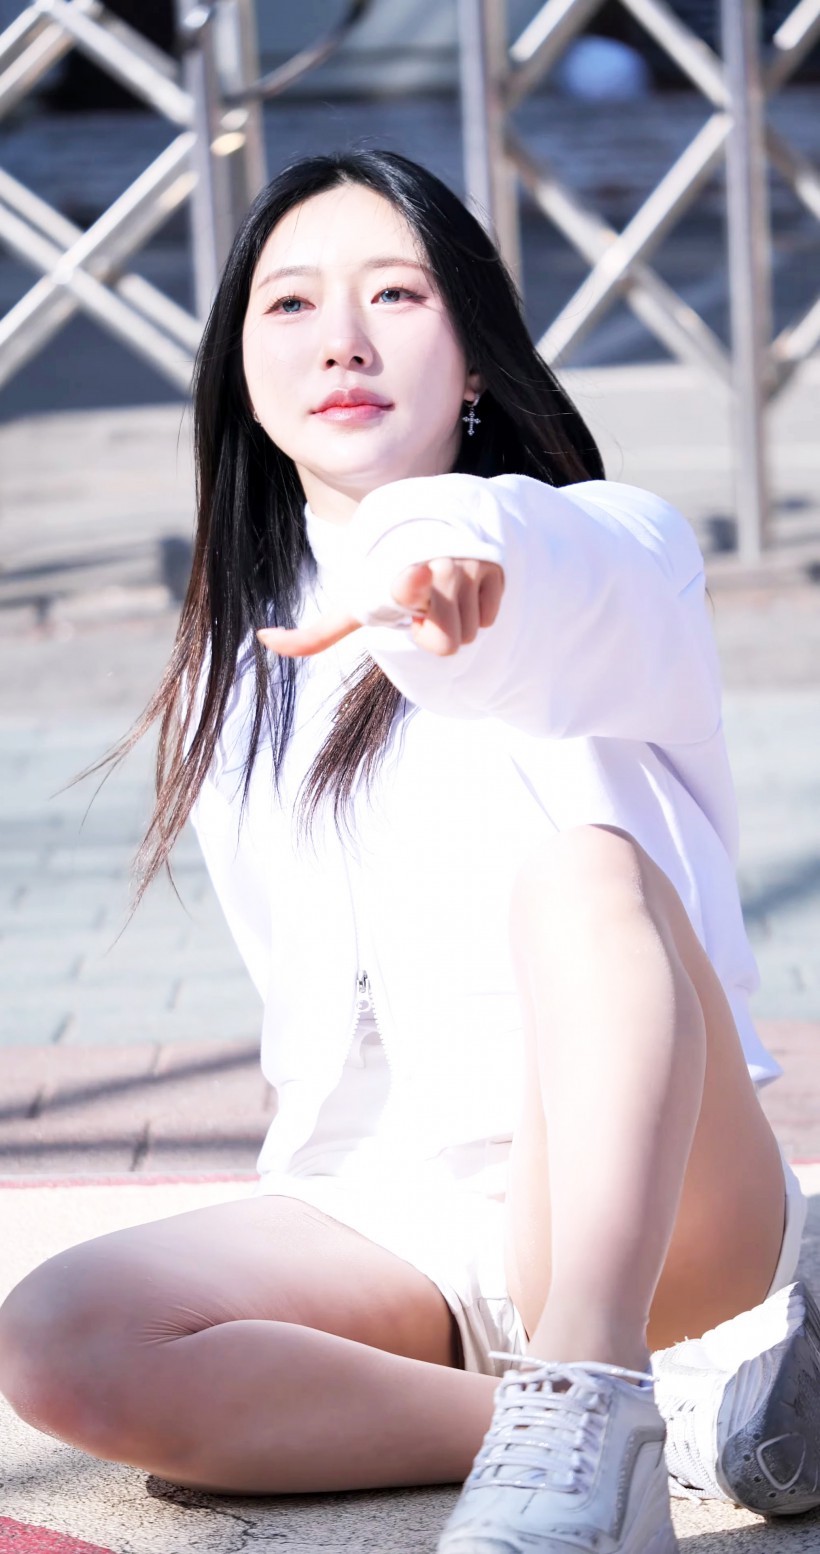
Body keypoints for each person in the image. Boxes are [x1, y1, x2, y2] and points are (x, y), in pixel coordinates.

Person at [0, 149, 818, 1554]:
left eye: (396, 293)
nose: (343, 340)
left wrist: (437, 550)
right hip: (397, 1218)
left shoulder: (611, 552)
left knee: (585, 869)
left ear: (477, 356)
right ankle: (656, 1424)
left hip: (672, 1207)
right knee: (61, 1337)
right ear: (241, 367)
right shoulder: (237, 663)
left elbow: (523, 558)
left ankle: (600, 1371)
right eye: (290, 304)